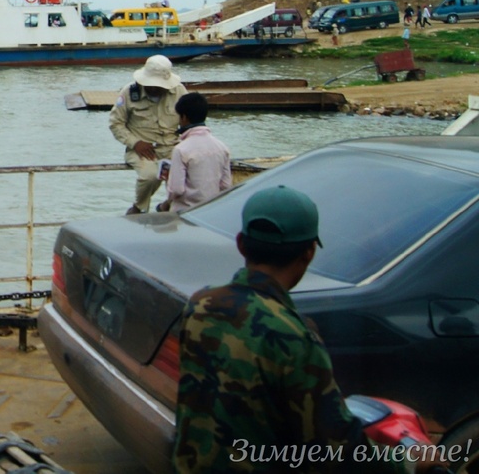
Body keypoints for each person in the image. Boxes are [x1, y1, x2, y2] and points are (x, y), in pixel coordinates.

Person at [173, 186, 438, 473]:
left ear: (240, 244)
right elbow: (334, 446)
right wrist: (408, 464)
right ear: (309, 252)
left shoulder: (201, 304)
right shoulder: (294, 337)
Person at [108, 55, 187, 215]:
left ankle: (168, 206)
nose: (154, 88)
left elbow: (188, 120)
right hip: (141, 150)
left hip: (172, 147)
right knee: (150, 176)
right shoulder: (129, 92)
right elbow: (115, 123)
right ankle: (139, 207)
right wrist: (135, 143)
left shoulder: (179, 91)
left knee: (187, 176)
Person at [156, 92, 231, 213]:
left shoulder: (181, 149)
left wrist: (164, 205)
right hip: (211, 210)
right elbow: (225, 185)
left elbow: (177, 190)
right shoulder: (222, 147)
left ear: (184, 117)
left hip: (185, 211)